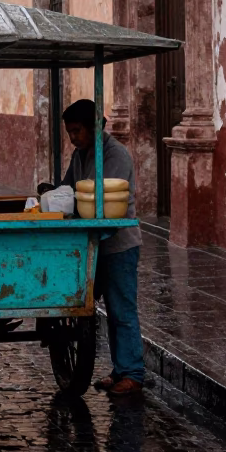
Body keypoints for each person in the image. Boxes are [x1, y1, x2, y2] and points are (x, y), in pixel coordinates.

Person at [61, 98, 143, 397]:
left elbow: (102, 200)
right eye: (70, 132)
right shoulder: (79, 155)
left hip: (118, 245)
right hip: (94, 245)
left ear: (95, 127)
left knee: (122, 310)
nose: (73, 137)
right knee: (110, 312)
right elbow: (69, 188)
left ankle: (133, 373)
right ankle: (120, 370)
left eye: (77, 131)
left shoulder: (114, 154)